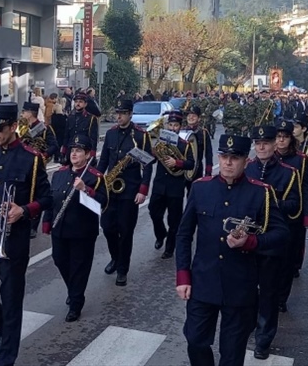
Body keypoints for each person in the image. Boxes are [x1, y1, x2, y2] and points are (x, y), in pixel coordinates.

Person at [176, 133, 289, 366]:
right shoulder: (201, 188)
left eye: (235, 157)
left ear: (246, 161)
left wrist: (251, 242)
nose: (228, 162)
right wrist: (183, 275)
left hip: (240, 285)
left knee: (232, 353)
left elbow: (282, 234)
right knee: (196, 340)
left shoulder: (261, 192)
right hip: (203, 281)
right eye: (224, 156)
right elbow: (184, 234)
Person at [0, 103, 52, 366]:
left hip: (13, 242)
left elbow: (46, 198)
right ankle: (3, 332)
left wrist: (25, 210)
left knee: (11, 301)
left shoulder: (31, 157)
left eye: (0, 128)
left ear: (14, 127)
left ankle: (6, 357)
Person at [245, 125, 300, 360]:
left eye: (266, 143)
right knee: (246, 290)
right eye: (258, 144)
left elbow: (295, 206)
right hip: (247, 241)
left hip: (271, 243)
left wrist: (269, 202)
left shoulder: (288, 173)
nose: (262, 147)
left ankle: (264, 339)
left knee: (268, 294)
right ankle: (247, 326)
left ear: (274, 144)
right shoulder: (246, 169)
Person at [41, 134, 108, 322]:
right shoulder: (60, 173)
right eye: (73, 150)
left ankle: (76, 302)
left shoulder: (95, 177)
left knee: (79, 267)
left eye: (79, 151)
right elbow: (52, 200)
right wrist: (47, 222)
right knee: (59, 260)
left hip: (82, 230)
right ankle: (74, 289)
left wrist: (85, 189)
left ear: (88, 154)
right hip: (60, 228)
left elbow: (102, 203)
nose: (74, 154)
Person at [97, 99, 153, 286]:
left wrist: (143, 189)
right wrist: (97, 182)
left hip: (130, 190)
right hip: (110, 189)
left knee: (125, 231)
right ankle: (115, 257)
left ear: (130, 114)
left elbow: (148, 164)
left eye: (122, 113)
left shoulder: (140, 136)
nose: (118, 116)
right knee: (107, 227)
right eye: (117, 113)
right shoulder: (111, 134)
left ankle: (122, 269)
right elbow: (103, 161)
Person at [275, 119, 308, 299]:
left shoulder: (301, 159)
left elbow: (307, 188)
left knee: (288, 260)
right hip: (272, 213)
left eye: (285, 137)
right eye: (278, 137)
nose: (281, 141)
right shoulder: (269, 158)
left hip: (294, 214)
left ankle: (282, 297)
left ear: (292, 139)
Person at [149, 111, 195, 259]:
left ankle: (169, 248)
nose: (173, 127)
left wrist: (177, 163)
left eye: (176, 125)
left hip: (175, 187)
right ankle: (161, 233)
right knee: (153, 212)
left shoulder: (185, 145)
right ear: (167, 126)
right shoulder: (161, 143)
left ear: (179, 127)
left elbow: (191, 164)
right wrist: (151, 154)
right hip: (160, 185)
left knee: (174, 220)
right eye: (170, 124)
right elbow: (152, 160)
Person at [21, 101, 59, 238]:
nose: (22, 114)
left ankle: (33, 226)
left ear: (30, 113)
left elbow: (54, 145)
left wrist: (43, 156)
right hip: (24, 165)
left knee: (37, 194)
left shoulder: (44, 129)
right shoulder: (23, 128)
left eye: (24, 112)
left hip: (38, 166)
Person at [62, 92, 99, 164]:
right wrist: (63, 151)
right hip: (71, 151)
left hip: (84, 152)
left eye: (80, 102)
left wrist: (92, 154)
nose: (78, 104)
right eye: (76, 102)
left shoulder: (91, 118)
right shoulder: (70, 117)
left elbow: (93, 139)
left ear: (85, 104)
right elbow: (66, 136)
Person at [185, 106, 214, 185]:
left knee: (195, 194)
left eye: (194, 116)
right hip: (182, 168)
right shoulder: (181, 131)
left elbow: (208, 154)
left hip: (197, 169)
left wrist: (208, 171)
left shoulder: (203, 133)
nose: (191, 118)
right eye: (189, 115)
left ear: (199, 118)